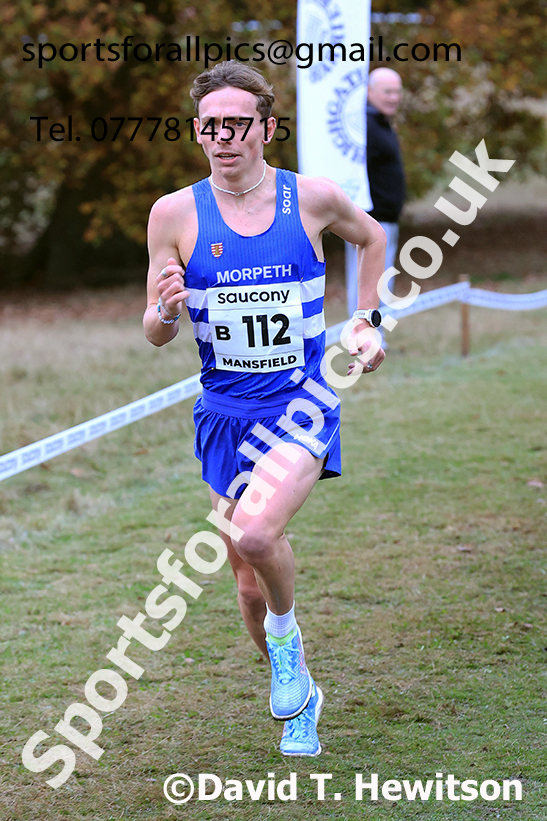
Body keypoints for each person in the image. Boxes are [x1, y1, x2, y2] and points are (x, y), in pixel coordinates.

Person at [143, 61, 386, 757]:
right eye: (209, 126)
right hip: (223, 415)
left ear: (266, 128)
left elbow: (369, 239)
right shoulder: (174, 213)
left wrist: (366, 319)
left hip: (300, 405)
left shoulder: (309, 198)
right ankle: (300, 686)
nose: (223, 138)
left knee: (254, 535)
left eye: (237, 124)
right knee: (247, 586)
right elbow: (154, 330)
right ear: (198, 132)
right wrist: (163, 312)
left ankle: (286, 649)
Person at [346, 67, 405, 316]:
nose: (394, 97)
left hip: (386, 219)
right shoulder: (364, 127)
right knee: (367, 282)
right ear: (369, 92)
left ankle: (376, 337)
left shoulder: (381, 123)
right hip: (370, 219)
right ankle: (361, 336)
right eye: (387, 92)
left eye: (397, 92)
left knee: (381, 281)